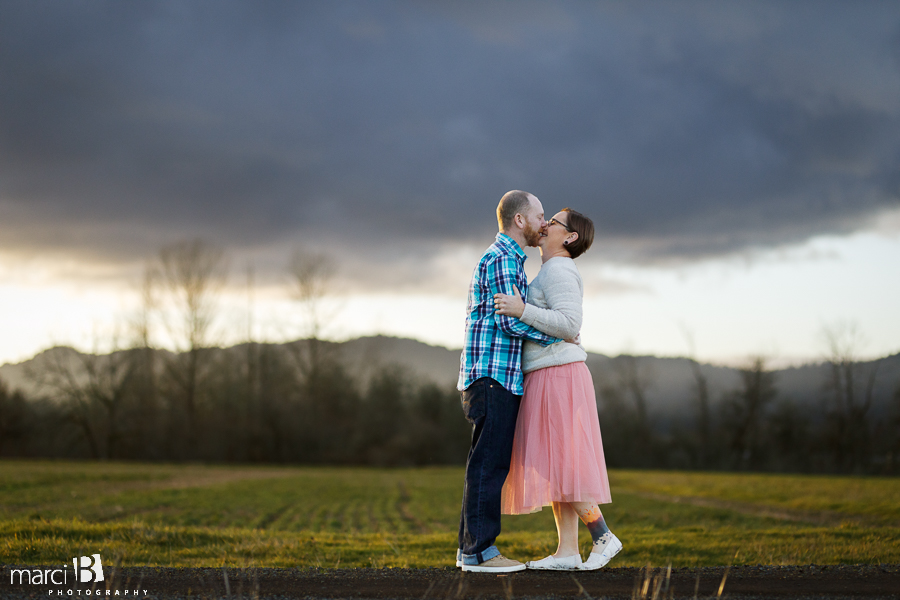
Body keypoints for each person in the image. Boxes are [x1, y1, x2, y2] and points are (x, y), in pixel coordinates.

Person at [494, 208, 622, 571]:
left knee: (560, 462)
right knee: (555, 462)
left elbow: (569, 323)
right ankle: (567, 551)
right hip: (549, 372)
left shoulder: (560, 269)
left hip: (559, 374)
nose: (546, 223)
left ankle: (602, 535)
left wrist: (521, 310)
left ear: (569, 237)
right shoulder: (550, 270)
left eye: (554, 221)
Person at [456, 190, 562, 573]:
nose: (545, 224)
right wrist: (558, 334)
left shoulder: (507, 258)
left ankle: (469, 548)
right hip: (493, 378)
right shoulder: (503, 258)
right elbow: (510, 320)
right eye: (540, 216)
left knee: (483, 463)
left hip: (490, 378)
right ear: (520, 220)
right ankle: (480, 552)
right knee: (490, 465)